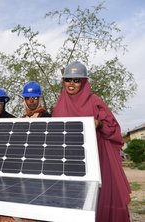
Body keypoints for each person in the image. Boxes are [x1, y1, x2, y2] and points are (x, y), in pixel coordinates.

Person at [52, 61, 130, 222]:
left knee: (98, 199)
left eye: (77, 80)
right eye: (68, 80)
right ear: (63, 81)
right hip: (71, 163)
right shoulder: (59, 105)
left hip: (97, 160)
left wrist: (99, 123)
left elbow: (113, 127)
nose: (71, 84)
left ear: (84, 82)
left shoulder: (95, 101)